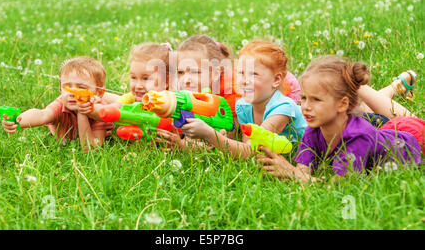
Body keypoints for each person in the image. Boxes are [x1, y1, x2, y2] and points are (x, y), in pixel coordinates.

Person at [256, 56, 422, 182]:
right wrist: (287, 168)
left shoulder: (358, 137)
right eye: (304, 98)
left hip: (415, 137)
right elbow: (303, 171)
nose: (305, 106)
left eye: (316, 99)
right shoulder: (313, 130)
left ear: (342, 104)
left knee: (403, 118)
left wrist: (291, 172)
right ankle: (395, 88)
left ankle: (397, 86)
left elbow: (339, 185)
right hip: (384, 131)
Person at [179, 39, 307, 158]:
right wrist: (219, 137)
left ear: (276, 79)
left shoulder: (283, 107)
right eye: (241, 73)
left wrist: (211, 135)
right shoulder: (243, 106)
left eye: (253, 74)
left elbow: (251, 152)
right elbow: (245, 147)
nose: (244, 81)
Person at [1, 56, 114, 152]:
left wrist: (82, 114)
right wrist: (18, 120)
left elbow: (90, 149)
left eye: (81, 87)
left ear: (98, 93)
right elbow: (42, 115)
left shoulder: (101, 111)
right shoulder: (61, 104)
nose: (71, 92)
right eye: (67, 86)